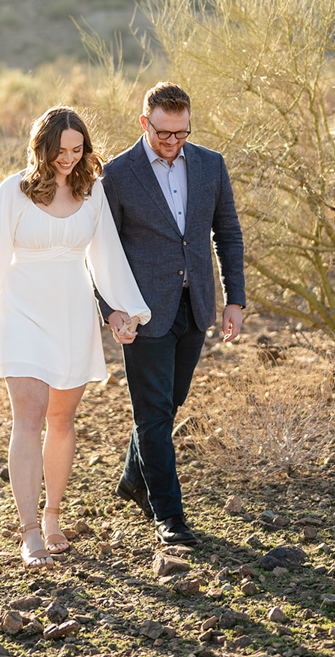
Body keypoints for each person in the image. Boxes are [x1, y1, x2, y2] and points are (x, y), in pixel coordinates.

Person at [0, 106, 150, 568]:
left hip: (71, 313)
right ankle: (29, 533)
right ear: (41, 148)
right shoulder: (13, 193)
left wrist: (126, 309)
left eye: (77, 149)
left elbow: (106, 256)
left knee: (62, 421)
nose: (68, 158)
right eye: (60, 150)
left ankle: (52, 516)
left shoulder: (92, 193)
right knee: (28, 418)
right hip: (22, 312)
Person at [99, 82, 245, 547]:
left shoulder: (210, 165)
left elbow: (228, 234)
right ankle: (170, 517)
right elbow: (101, 252)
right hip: (142, 312)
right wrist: (111, 309)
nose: (173, 142)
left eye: (181, 133)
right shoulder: (117, 175)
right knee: (155, 413)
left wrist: (234, 299)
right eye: (164, 133)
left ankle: (132, 478)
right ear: (145, 123)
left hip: (196, 304)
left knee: (166, 404)